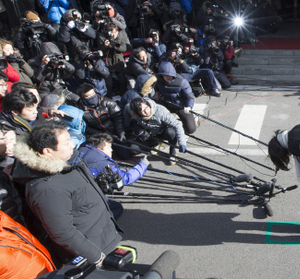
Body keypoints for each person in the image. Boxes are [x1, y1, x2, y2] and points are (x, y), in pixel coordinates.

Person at [10, 120, 122, 266]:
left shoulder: (68, 162)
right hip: (92, 250)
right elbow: (63, 232)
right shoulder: (45, 188)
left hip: (103, 237)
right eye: (66, 142)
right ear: (48, 151)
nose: (73, 145)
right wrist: (95, 256)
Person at [78, 133, 149, 219]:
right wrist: (143, 165)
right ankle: (101, 222)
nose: (111, 150)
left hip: (76, 189)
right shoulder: (104, 164)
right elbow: (126, 178)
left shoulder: (83, 148)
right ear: (99, 148)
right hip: (85, 195)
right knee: (117, 208)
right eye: (109, 147)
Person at [126, 97, 187, 163]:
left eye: (146, 108)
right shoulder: (130, 110)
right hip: (149, 135)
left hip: (162, 132)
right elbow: (126, 111)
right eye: (142, 111)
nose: (146, 112)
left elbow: (177, 125)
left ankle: (172, 151)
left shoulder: (160, 111)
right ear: (136, 113)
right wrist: (127, 129)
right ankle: (155, 143)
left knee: (171, 132)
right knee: (133, 149)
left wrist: (182, 143)